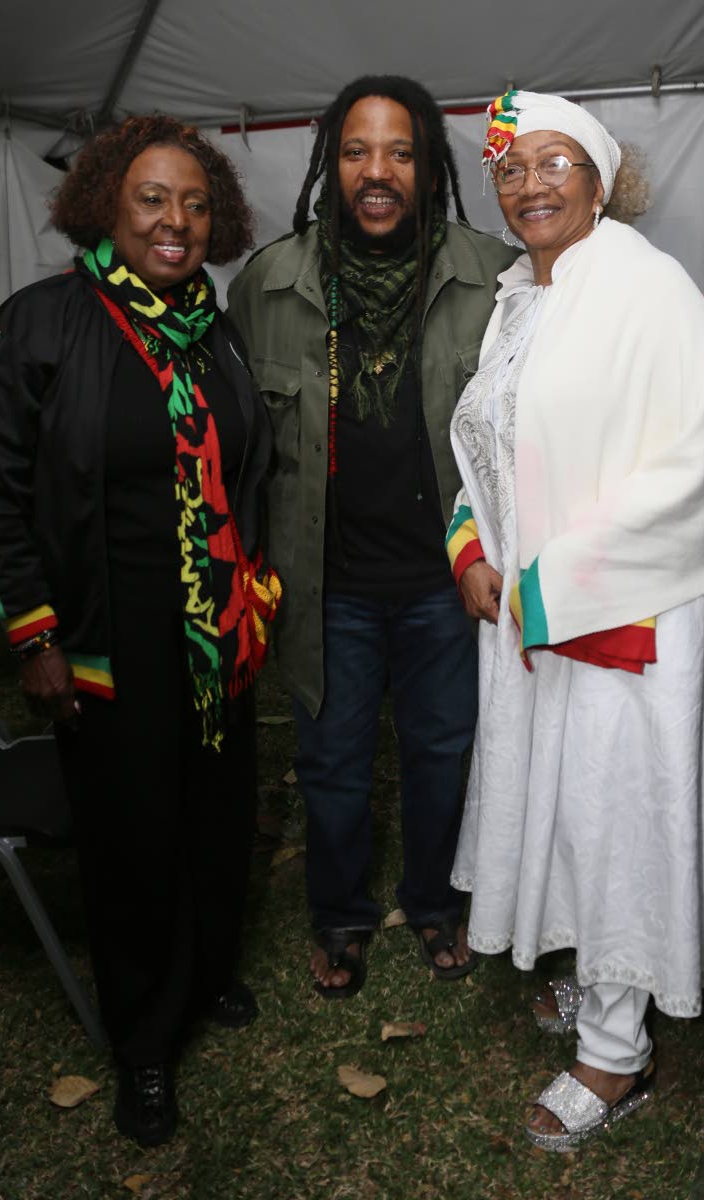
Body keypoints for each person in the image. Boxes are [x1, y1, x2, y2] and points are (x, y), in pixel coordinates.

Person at [446, 89, 704, 1151]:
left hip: (631, 616)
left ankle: (615, 1061)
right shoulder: (525, 295)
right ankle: (598, 975)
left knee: (620, 813)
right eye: (507, 169)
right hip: (540, 615)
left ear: (598, 176)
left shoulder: (643, 288)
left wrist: (553, 579)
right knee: (570, 800)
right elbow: (494, 442)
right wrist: (471, 544)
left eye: (551, 164)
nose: (526, 184)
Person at [0, 115, 280, 1147]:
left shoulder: (212, 328)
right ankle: (144, 1040)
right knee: (132, 838)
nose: (174, 221)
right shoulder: (38, 324)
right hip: (101, 639)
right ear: (105, 203)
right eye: (151, 198)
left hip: (213, 637)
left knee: (214, 816)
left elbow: (248, 473)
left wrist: (255, 590)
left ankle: (206, 972)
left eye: (194, 202)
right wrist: (33, 635)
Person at [227, 75, 516, 997]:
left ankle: (434, 902)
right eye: (356, 151)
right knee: (332, 762)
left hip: (447, 580)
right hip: (326, 581)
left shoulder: (495, 278)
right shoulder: (269, 283)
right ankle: (341, 915)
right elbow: (234, 446)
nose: (377, 171)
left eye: (400, 151)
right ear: (329, 164)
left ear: (430, 166)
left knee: (444, 750)